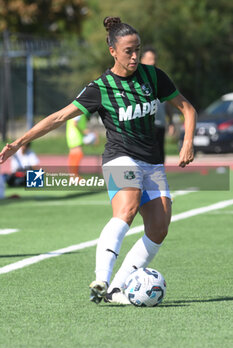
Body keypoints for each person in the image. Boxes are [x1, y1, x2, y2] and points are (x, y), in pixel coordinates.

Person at [0, 16, 196, 305]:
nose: (134, 56)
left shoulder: (154, 77)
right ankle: (101, 278)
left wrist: (187, 142)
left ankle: (116, 289)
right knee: (127, 209)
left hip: (152, 163)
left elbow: (187, 109)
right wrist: (19, 142)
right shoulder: (100, 88)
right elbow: (58, 117)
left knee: (159, 227)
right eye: (128, 50)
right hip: (119, 157)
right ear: (113, 51)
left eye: (137, 49)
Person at [141, 46, 174, 163]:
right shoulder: (138, 78)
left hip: (160, 125)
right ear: (142, 60)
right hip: (145, 125)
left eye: (154, 59)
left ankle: (159, 179)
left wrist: (171, 122)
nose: (153, 62)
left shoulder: (160, 78)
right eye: (150, 59)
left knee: (160, 155)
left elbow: (168, 102)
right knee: (146, 156)